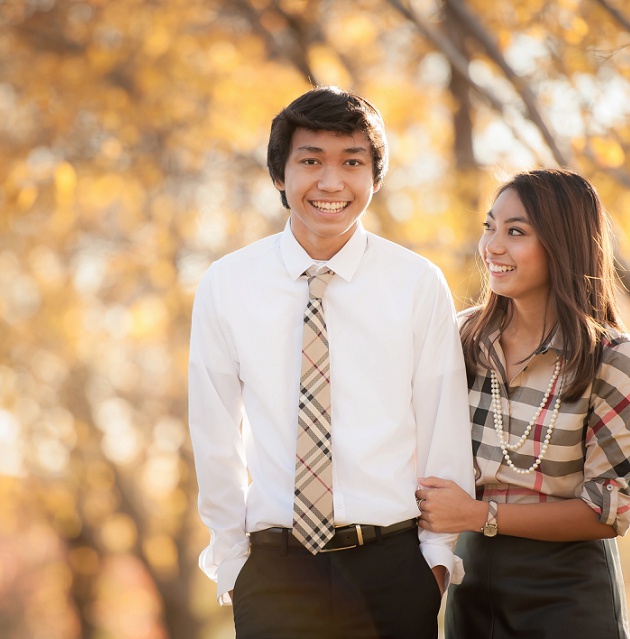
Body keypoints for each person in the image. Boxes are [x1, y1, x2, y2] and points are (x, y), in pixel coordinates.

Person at [188, 85, 475, 638]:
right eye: (311, 161)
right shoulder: (227, 284)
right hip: (275, 570)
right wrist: (232, 561)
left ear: (374, 177)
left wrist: (436, 561)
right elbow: (213, 431)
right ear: (280, 175)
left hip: (392, 564)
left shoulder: (416, 283)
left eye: (352, 162)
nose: (331, 182)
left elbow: (443, 425)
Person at [415, 168, 630, 638]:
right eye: (489, 227)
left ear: (562, 245)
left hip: (568, 592)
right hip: (473, 582)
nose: (492, 247)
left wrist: (478, 515)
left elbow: (608, 512)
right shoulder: (458, 339)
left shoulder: (612, 358)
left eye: (516, 232)